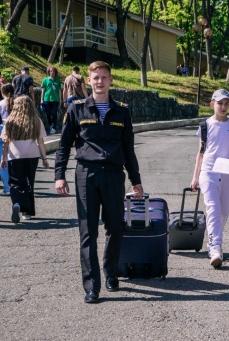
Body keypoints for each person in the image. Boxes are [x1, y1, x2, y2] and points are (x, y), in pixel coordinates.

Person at [54, 61, 143, 304]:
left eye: (104, 77)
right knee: (88, 232)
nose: (100, 81)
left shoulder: (122, 111)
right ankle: (92, 286)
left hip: (113, 174)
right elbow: (64, 146)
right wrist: (59, 175)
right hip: (86, 174)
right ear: (89, 81)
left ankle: (111, 272)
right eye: (96, 78)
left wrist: (136, 181)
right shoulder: (77, 109)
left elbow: (128, 149)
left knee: (115, 227)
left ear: (111, 80)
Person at [190, 89, 229, 268]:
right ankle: (215, 247)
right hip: (208, 171)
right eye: (220, 103)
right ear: (212, 104)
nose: (223, 107)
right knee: (212, 208)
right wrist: (195, 177)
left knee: (223, 211)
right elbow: (200, 153)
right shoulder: (205, 126)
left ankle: (213, 240)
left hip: (227, 172)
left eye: (226, 103)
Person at [1, 96, 49, 223]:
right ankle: (27, 212)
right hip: (32, 155)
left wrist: (3, 158)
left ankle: (17, 203)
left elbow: (6, 141)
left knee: (15, 182)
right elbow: (40, 141)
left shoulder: (10, 120)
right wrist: (44, 158)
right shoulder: (36, 120)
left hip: (14, 156)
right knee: (29, 182)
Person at [0, 84, 15, 196]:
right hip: (15, 130)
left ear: (2, 92)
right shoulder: (17, 103)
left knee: (3, 159)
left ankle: (7, 187)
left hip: (3, 130)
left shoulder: (1, 103)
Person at [40, 65, 62, 135]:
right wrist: (41, 99)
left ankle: (54, 127)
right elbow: (43, 90)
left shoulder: (58, 80)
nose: (52, 72)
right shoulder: (45, 80)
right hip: (47, 98)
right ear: (49, 72)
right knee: (48, 113)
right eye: (51, 71)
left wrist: (60, 99)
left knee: (54, 113)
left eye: (54, 71)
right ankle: (50, 125)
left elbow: (59, 90)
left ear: (55, 72)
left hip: (55, 99)